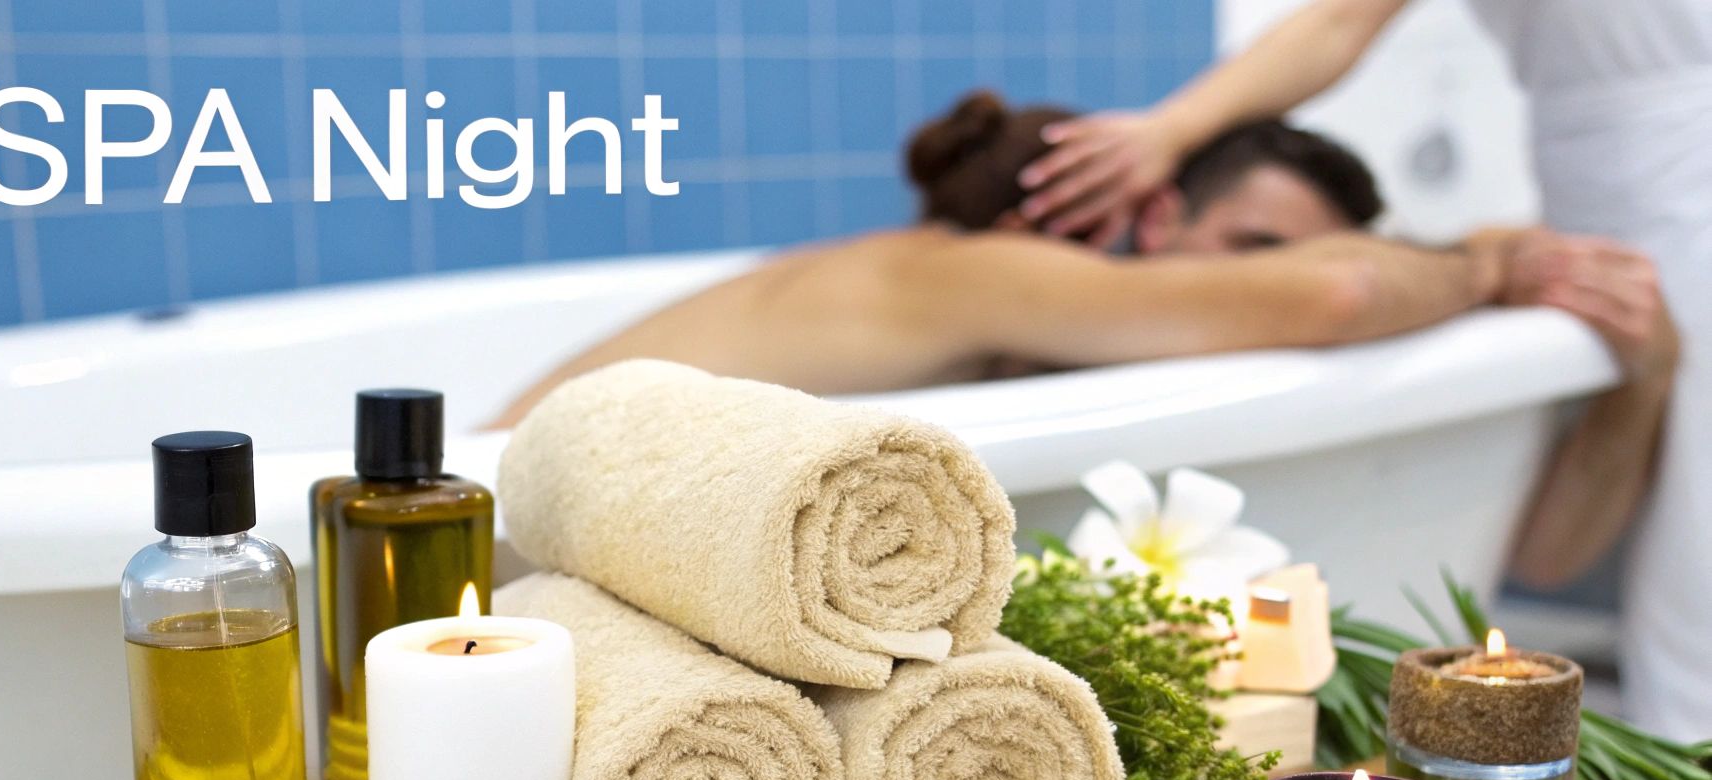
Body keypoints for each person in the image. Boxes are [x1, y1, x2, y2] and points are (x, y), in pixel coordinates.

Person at [1019, 0, 1704, 738]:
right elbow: (1339, 25)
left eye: (1309, 259)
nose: (1287, 294)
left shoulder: (1396, 344)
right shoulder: (1031, 319)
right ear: (1158, 222)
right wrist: (1166, 132)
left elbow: (1546, 560)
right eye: (1254, 247)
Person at [495, 91, 1616, 429]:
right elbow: (1340, 291)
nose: (1253, 293)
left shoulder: (952, 281)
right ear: (1150, 215)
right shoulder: (982, 269)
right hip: (479, 537)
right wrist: (1484, 265)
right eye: (1251, 253)